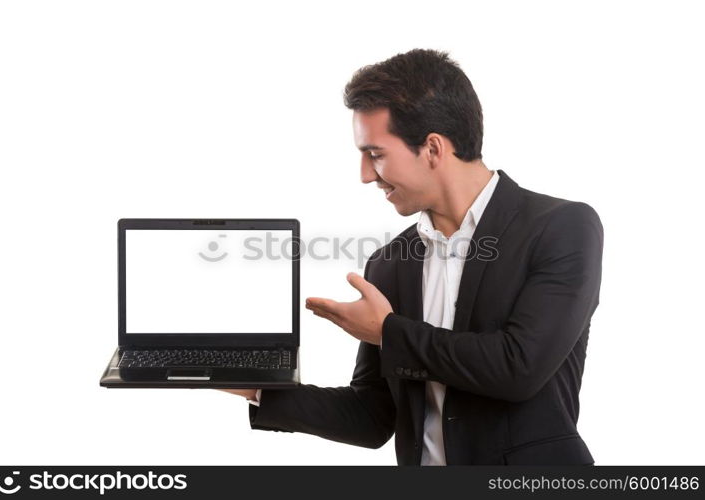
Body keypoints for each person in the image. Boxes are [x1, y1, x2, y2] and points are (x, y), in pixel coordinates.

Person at [219, 48, 603, 465]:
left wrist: (387, 332)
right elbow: (372, 416)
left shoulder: (562, 227)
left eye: (376, 154)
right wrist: (257, 387)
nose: (366, 175)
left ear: (434, 148)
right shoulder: (389, 262)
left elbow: (518, 368)